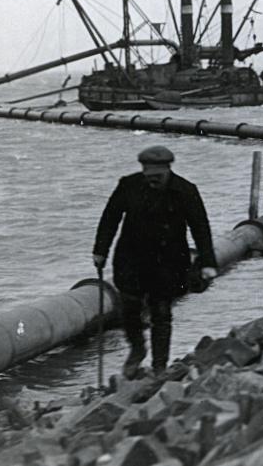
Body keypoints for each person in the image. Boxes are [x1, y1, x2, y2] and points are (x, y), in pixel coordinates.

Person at [93, 145, 218, 378]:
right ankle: (138, 348)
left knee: (161, 311)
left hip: (168, 262)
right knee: (130, 308)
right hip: (131, 259)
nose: (153, 181)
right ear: (143, 171)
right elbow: (110, 217)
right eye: (149, 176)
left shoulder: (185, 190)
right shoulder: (128, 185)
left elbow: (200, 227)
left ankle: (160, 365)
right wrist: (100, 251)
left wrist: (208, 262)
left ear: (167, 170)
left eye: (158, 177)